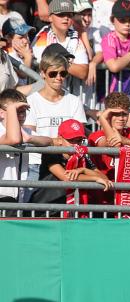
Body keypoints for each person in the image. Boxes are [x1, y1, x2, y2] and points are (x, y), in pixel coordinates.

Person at [23, 48, 87, 201]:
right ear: (43, 73)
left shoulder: (73, 101)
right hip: (36, 164)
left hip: (68, 164)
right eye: (53, 73)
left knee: (67, 213)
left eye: (63, 73)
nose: (59, 78)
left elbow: (79, 134)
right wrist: (54, 143)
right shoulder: (32, 101)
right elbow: (29, 134)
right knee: (32, 213)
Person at [32, 118, 113, 207]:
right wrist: (95, 178)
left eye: (79, 140)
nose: (76, 144)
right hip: (47, 208)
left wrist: (83, 170)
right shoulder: (51, 153)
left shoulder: (82, 155)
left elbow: (104, 177)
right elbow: (66, 177)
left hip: (72, 209)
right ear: (59, 139)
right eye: (71, 140)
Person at [0, 89, 59, 203]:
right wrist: (12, 108)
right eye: (18, 111)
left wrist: (31, 139)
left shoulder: (26, 131)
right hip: (3, 194)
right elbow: (14, 139)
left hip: (17, 194)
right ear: (2, 113)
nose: (22, 116)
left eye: (24, 111)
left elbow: (49, 141)